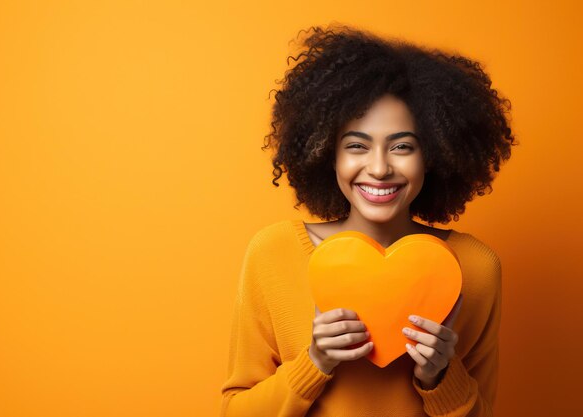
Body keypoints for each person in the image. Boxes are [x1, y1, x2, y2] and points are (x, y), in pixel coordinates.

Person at [220, 24, 515, 417]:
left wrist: (440, 377)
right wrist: (314, 363)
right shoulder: (272, 254)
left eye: (402, 146)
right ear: (327, 154)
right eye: (357, 145)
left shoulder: (475, 267)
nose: (378, 168)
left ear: (434, 154)